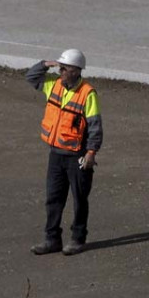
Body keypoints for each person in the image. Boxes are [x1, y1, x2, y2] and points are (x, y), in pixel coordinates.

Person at [25, 49, 103, 256]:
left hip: (78, 156)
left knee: (79, 199)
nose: (60, 71)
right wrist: (45, 64)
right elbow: (30, 77)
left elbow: (95, 126)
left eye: (65, 68)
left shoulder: (88, 93)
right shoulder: (53, 84)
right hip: (57, 154)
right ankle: (52, 239)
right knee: (53, 198)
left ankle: (77, 239)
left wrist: (91, 153)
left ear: (76, 71)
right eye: (60, 67)